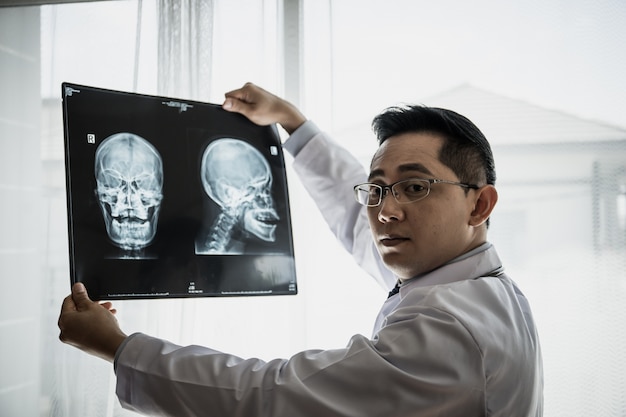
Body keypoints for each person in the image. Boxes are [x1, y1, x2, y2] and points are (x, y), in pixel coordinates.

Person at [58, 82, 543, 416]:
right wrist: (291, 121)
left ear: (479, 204)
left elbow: (271, 399)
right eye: (376, 189)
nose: (385, 212)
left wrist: (120, 349)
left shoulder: (449, 329)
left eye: (414, 187)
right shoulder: (467, 281)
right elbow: (355, 220)